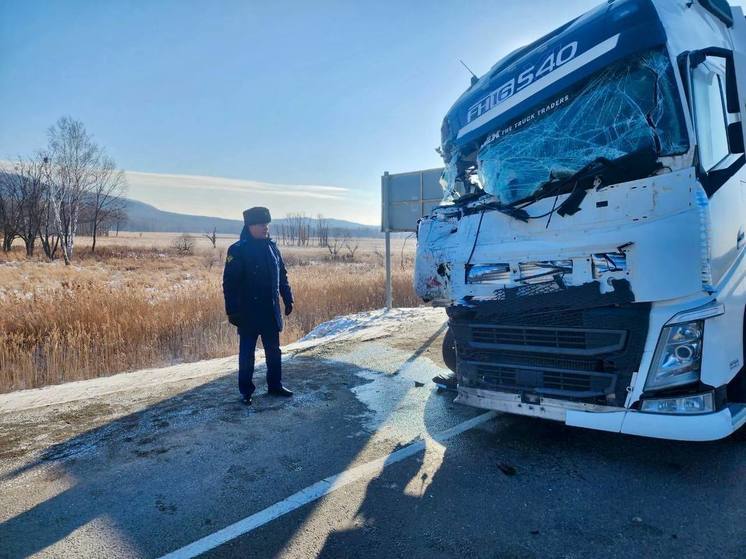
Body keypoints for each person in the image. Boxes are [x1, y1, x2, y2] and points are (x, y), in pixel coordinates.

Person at [222, 206, 294, 405]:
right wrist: (233, 310)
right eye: (262, 224)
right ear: (250, 226)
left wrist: (288, 298)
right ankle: (246, 391)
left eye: (267, 224)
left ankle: (275, 385)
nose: (265, 228)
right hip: (248, 313)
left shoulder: (272, 248)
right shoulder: (237, 250)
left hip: (270, 310)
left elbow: (282, 276)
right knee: (247, 354)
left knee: (274, 351)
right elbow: (230, 283)